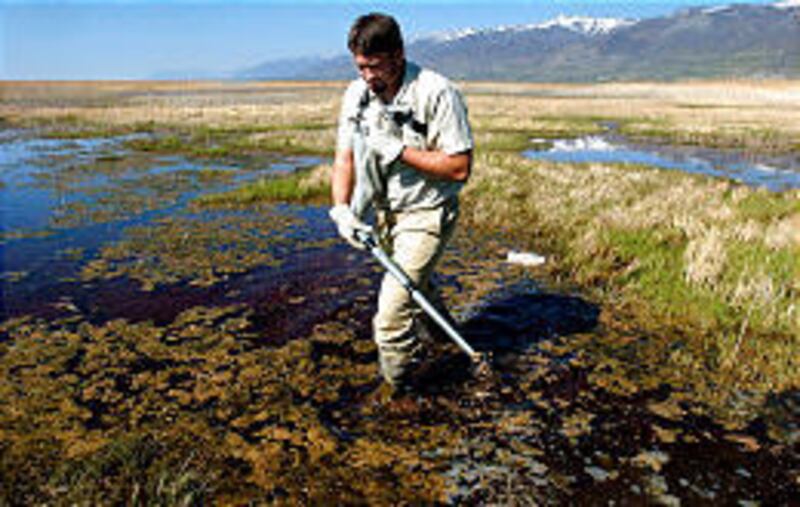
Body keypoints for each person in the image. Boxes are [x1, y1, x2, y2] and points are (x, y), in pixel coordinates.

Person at [329, 12, 474, 394]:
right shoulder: (356, 95)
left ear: (398, 55)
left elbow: (459, 168)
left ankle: (399, 394)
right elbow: (344, 158)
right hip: (385, 214)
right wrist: (341, 208)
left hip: (428, 212)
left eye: (375, 67)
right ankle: (449, 344)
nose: (368, 77)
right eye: (361, 67)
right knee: (418, 290)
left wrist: (399, 151)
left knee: (391, 316)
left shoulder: (437, 92)